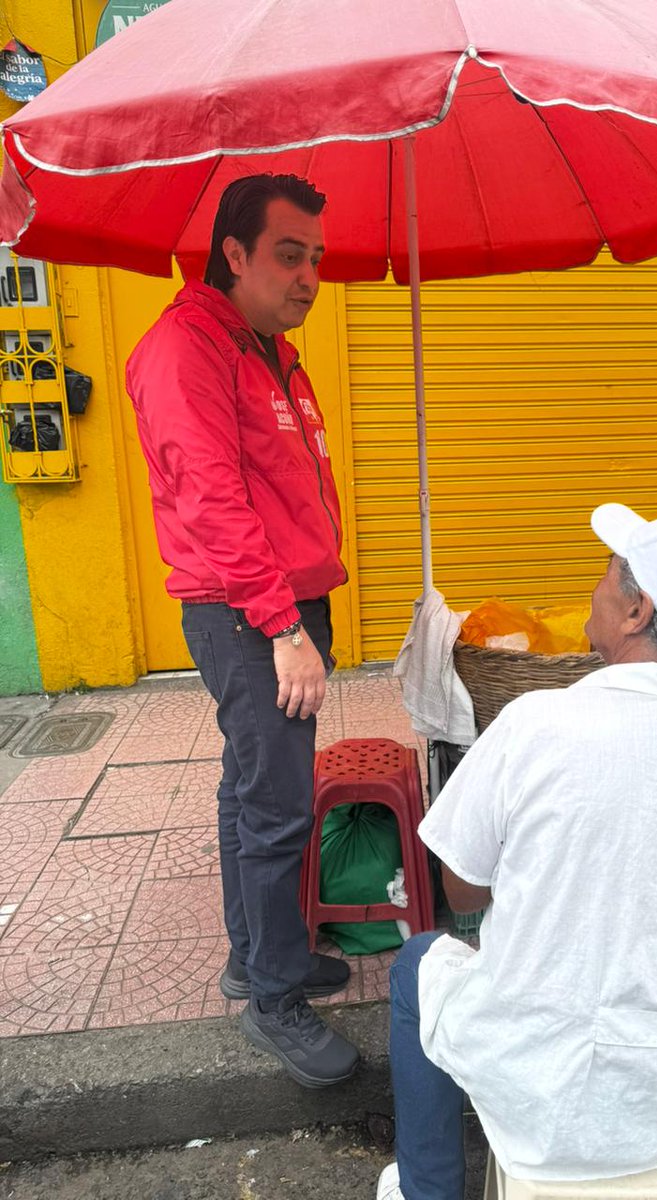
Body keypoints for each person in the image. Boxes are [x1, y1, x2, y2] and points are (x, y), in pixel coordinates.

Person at [376, 504, 657, 1200]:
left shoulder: (537, 723)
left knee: (416, 966)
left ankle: (427, 1189)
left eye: (608, 576)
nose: (596, 589)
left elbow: (462, 892)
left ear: (636, 610)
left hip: (544, 1080)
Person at [126, 174, 359, 1087]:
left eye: (316, 258)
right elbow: (213, 501)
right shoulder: (188, 349)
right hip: (250, 613)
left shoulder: (271, 350)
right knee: (277, 809)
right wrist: (280, 625)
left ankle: (258, 956)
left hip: (287, 606)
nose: (308, 277)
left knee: (248, 791)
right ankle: (273, 1000)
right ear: (235, 254)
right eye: (289, 255)